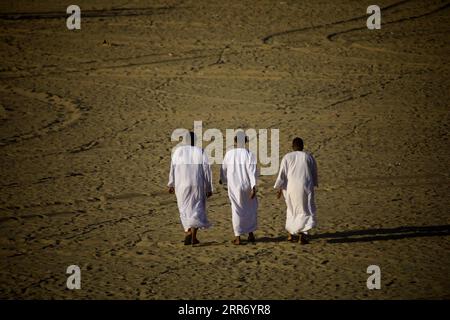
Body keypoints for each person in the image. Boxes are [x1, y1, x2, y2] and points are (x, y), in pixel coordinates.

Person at [168, 131, 213, 245]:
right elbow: (207, 170)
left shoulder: (177, 152)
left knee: (184, 209)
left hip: (181, 185)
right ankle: (193, 235)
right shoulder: (200, 151)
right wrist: (208, 187)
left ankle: (187, 231)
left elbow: (172, 169)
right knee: (197, 209)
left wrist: (171, 183)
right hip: (197, 184)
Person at [274, 137, 318, 244]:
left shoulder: (287, 157)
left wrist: (279, 188)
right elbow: (313, 174)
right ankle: (301, 235)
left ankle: (290, 234)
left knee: (291, 209)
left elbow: (282, 175)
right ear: (302, 146)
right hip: (305, 187)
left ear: (292, 146)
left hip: (290, 188)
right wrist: (314, 184)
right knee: (304, 210)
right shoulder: (309, 157)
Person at [220, 131, 258, 245]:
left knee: (236, 210)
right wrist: (253, 186)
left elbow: (223, 169)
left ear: (235, 141)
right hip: (247, 185)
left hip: (234, 187)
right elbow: (253, 172)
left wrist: (222, 179)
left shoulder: (229, 154)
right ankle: (251, 234)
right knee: (250, 209)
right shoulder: (249, 154)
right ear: (246, 141)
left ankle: (238, 237)